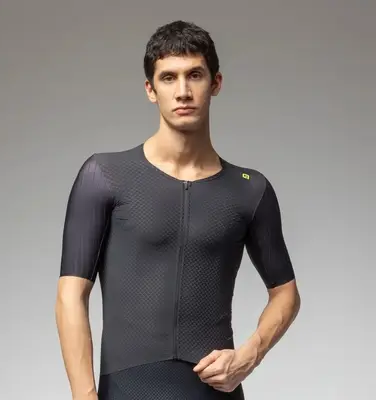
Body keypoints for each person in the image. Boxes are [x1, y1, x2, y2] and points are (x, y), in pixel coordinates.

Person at [55, 20, 301, 400]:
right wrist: (84, 396)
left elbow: (286, 294)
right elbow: (70, 296)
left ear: (215, 83)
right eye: (168, 78)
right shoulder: (104, 176)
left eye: (194, 75)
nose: (183, 91)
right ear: (150, 90)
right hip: (127, 391)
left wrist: (247, 357)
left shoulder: (250, 190)